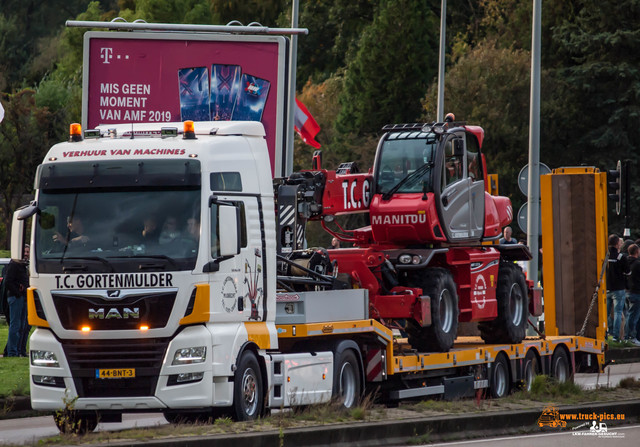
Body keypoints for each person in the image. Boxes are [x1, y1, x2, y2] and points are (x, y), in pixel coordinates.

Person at [4, 245, 30, 357]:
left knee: (23, 326)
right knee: (15, 325)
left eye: (28, 252)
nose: (26, 253)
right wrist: (18, 293)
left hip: (23, 298)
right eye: (24, 251)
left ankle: (19, 350)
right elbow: (8, 282)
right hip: (16, 298)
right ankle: (12, 352)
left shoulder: (23, 265)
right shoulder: (14, 265)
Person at [607, 234, 628, 341]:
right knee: (618, 313)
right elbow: (628, 272)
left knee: (605, 314)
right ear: (616, 244)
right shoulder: (621, 257)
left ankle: (605, 334)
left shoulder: (604, 256)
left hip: (606, 288)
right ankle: (616, 337)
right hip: (618, 288)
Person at [625, 244, 640, 346]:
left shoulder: (625, 262)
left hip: (627, 291)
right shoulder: (638, 264)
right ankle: (631, 337)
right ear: (637, 252)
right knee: (634, 316)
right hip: (636, 292)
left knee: (628, 315)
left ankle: (627, 336)